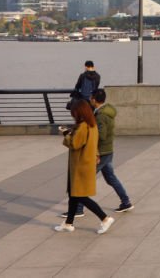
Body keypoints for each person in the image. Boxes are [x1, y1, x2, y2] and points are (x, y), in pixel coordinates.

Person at [62, 89, 133, 219]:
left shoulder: (100, 115)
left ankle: (79, 210)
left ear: (94, 99)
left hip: (101, 152)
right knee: (111, 178)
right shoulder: (106, 112)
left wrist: (87, 139)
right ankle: (126, 201)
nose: (89, 99)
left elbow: (101, 134)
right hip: (107, 150)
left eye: (90, 97)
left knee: (81, 181)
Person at [53, 100, 114, 234]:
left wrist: (66, 134)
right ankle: (68, 223)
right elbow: (91, 142)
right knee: (73, 194)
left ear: (79, 112)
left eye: (73, 112)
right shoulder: (91, 125)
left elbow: (75, 144)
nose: (72, 115)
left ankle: (105, 218)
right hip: (87, 162)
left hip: (80, 165)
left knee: (80, 195)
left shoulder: (82, 127)